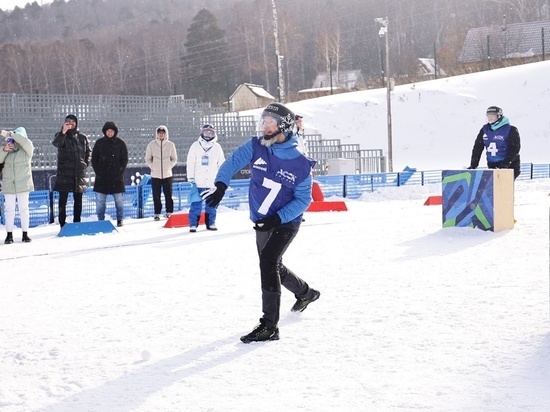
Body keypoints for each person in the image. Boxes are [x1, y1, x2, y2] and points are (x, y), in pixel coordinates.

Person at [202, 102, 320, 343]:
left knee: (268, 261)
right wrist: (222, 184)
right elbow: (233, 161)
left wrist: (276, 219)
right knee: (273, 265)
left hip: (285, 221)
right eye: (263, 121)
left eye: (270, 123)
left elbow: (303, 199)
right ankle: (306, 293)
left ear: (284, 127)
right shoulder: (256, 146)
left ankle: (269, 326)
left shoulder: (299, 162)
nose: (265, 127)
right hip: (261, 220)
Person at [52, 114, 92, 227]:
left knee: (78, 200)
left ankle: (77, 222)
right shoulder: (60, 135)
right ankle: (62, 223)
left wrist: (84, 164)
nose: (71, 124)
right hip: (65, 173)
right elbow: (57, 143)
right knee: (63, 200)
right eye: (68, 122)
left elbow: (89, 152)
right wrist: (63, 132)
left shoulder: (82, 137)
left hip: (78, 174)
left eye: (73, 122)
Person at [186, 124, 225, 232]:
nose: (207, 134)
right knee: (195, 205)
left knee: (212, 204)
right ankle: (193, 224)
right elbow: (190, 163)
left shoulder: (217, 147)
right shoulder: (195, 146)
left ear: (213, 134)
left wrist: (220, 180)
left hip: (212, 183)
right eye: (205, 132)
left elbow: (221, 165)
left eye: (210, 132)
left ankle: (211, 223)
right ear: (202, 133)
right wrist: (191, 178)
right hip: (198, 182)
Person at [0, 127, 34, 243]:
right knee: (9, 210)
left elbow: (25, 141)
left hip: (23, 184)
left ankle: (25, 233)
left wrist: (12, 134)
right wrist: (4, 150)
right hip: (9, 185)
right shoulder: (7, 150)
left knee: (24, 209)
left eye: (17, 137)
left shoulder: (27, 149)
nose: (15, 141)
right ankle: (9, 235)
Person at [92, 121, 129, 227]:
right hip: (101, 178)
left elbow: (124, 159)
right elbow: (94, 159)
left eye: (111, 131)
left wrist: (119, 172)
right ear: (105, 131)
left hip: (116, 178)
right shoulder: (99, 143)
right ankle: (101, 219)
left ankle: (120, 219)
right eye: (108, 131)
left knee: (119, 200)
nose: (109, 133)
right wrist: (98, 172)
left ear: (115, 131)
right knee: (100, 201)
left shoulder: (120, 143)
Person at [468, 106, 521, 179]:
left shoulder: (511, 130)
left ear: (499, 116)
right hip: (492, 165)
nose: (490, 117)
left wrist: (505, 165)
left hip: (510, 166)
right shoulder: (485, 130)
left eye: (493, 115)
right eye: (488, 115)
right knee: (494, 189)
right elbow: (478, 147)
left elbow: (514, 149)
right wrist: (473, 165)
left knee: (503, 188)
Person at [145, 125, 178, 221]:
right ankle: (157, 213)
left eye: (163, 133)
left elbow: (174, 158)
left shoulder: (170, 145)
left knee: (168, 194)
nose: (161, 134)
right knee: (156, 195)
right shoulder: (151, 144)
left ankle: (169, 212)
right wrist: (153, 167)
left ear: (166, 134)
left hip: (167, 174)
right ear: (157, 134)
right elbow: (148, 159)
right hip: (155, 175)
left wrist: (168, 166)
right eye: (159, 133)